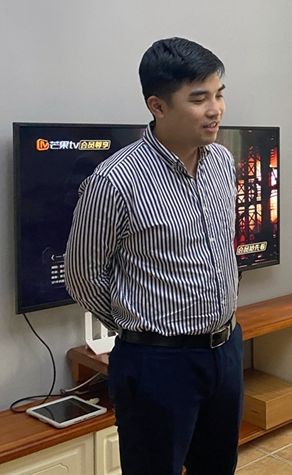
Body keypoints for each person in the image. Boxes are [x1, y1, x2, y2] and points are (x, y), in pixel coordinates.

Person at [65, 38, 242, 475]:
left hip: (226, 348)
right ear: (157, 106)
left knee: (218, 466)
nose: (216, 109)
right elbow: (83, 276)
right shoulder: (115, 180)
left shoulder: (222, 161)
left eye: (219, 94)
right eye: (199, 99)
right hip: (157, 363)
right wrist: (138, 326)